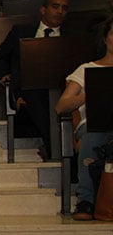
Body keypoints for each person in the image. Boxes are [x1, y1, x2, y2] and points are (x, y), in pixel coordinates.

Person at [0, 0, 70, 160]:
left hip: (63, 91)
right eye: (55, 6)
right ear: (43, 9)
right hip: (27, 93)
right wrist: (3, 75)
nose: (60, 11)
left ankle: (57, 153)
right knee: (37, 99)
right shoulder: (22, 31)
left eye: (64, 8)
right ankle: (59, 154)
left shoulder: (71, 35)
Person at [56, 16, 113, 220]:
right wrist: (96, 91)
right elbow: (61, 105)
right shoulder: (87, 69)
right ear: (105, 39)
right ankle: (86, 200)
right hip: (94, 125)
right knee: (93, 136)